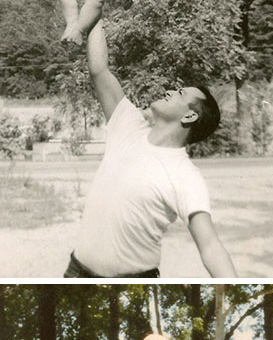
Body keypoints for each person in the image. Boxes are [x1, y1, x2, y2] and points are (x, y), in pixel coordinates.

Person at [64, 22, 237, 279]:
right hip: (76, 274)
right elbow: (99, 70)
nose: (170, 91)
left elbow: (210, 245)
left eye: (179, 93)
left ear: (189, 115)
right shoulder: (128, 125)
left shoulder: (185, 176)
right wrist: (95, 10)